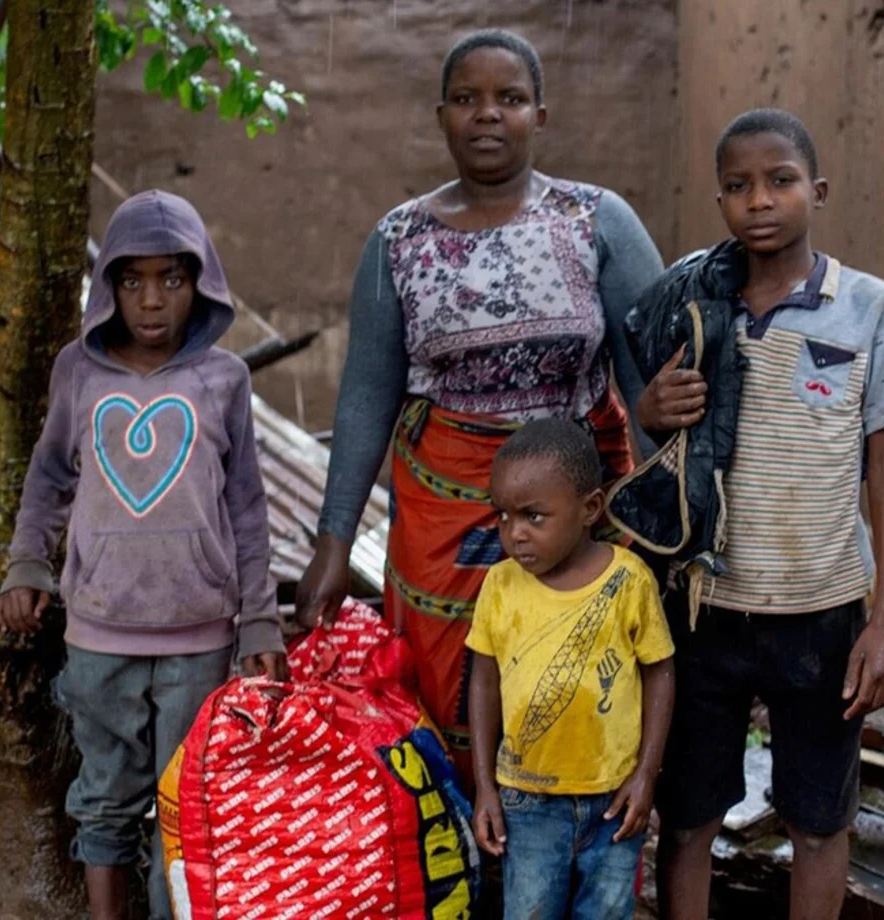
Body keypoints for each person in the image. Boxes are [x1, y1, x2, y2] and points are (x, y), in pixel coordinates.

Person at [297, 28, 666, 775]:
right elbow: (366, 396)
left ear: (540, 114)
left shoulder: (597, 221)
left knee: (578, 669)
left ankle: (567, 853)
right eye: (466, 99)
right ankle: (460, 856)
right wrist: (333, 543)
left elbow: (650, 385)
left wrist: (670, 527)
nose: (487, 115)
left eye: (509, 98)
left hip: (583, 502)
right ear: (440, 116)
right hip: (446, 507)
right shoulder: (398, 239)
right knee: (446, 673)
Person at [640, 110, 884, 920]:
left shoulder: (870, 308)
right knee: (691, 813)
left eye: (780, 181)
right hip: (702, 608)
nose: (758, 201)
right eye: (737, 186)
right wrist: (651, 407)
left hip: (823, 612)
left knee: (816, 815)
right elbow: (654, 433)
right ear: (719, 199)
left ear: (818, 191)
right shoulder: (693, 303)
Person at [0, 190, 287, 920]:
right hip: (98, 633)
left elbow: (247, 507)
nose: (152, 300)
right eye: (132, 280)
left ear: (201, 284)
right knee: (104, 804)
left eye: (172, 280)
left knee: (184, 805)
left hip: (199, 636)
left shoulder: (225, 381)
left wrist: (259, 620)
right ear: (108, 287)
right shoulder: (79, 373)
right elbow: (50, 476)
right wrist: (28, 565)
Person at [465, 419, 675, 920]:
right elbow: (484, 681)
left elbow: (660, 673)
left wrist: (646, 776)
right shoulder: (501, 586)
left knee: (605, 913)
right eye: (503, 516)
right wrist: (485, 787)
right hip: (528, 801)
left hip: (613, 802)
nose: (514, 534)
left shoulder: (628, 582)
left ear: (589, 509)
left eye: (534, 517)